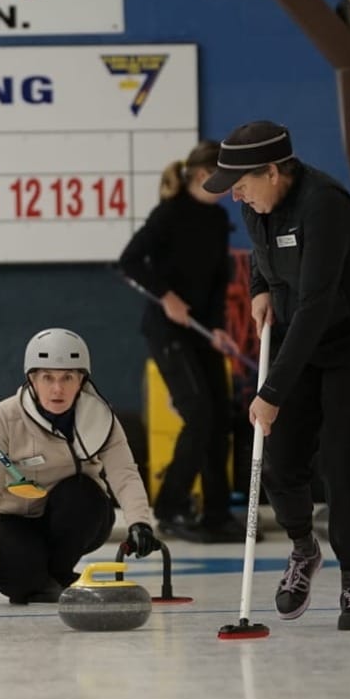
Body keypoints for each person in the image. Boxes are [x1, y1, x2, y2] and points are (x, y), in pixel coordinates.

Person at [202, 121, 350, 632]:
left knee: (341, 451)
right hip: (298, 328)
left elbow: (316, 303)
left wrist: (270, 392)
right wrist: (261, 285)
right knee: (279, 455)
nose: (235, 195)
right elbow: (267, 258)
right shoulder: (254, 203)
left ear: (273, 171)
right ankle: (303, 548)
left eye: (242, 183)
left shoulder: (325, 206)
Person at [0, 328, 161, 608]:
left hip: (74, 514)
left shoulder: (100, 417)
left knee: (82, 494)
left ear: (82, 380)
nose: (58, 389)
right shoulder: (3, 418)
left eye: (68, 377)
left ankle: (57, 573)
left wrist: (140, 522)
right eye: (48, 378)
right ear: (32, 379)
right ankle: (45, 580)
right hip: (15, 519)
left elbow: (124, 473)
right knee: (18, 581)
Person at [119, 141, 244, 544]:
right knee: (199, 414)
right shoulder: (170, 214)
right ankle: (170, 509)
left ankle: (217, 512)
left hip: (203, 333)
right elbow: (131, 261)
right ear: (203, 174)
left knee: (220, 418)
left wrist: (220, 327)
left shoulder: (217, 219)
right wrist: (167, 297)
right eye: (223, 174)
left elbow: (215, 284)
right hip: (168, 332)